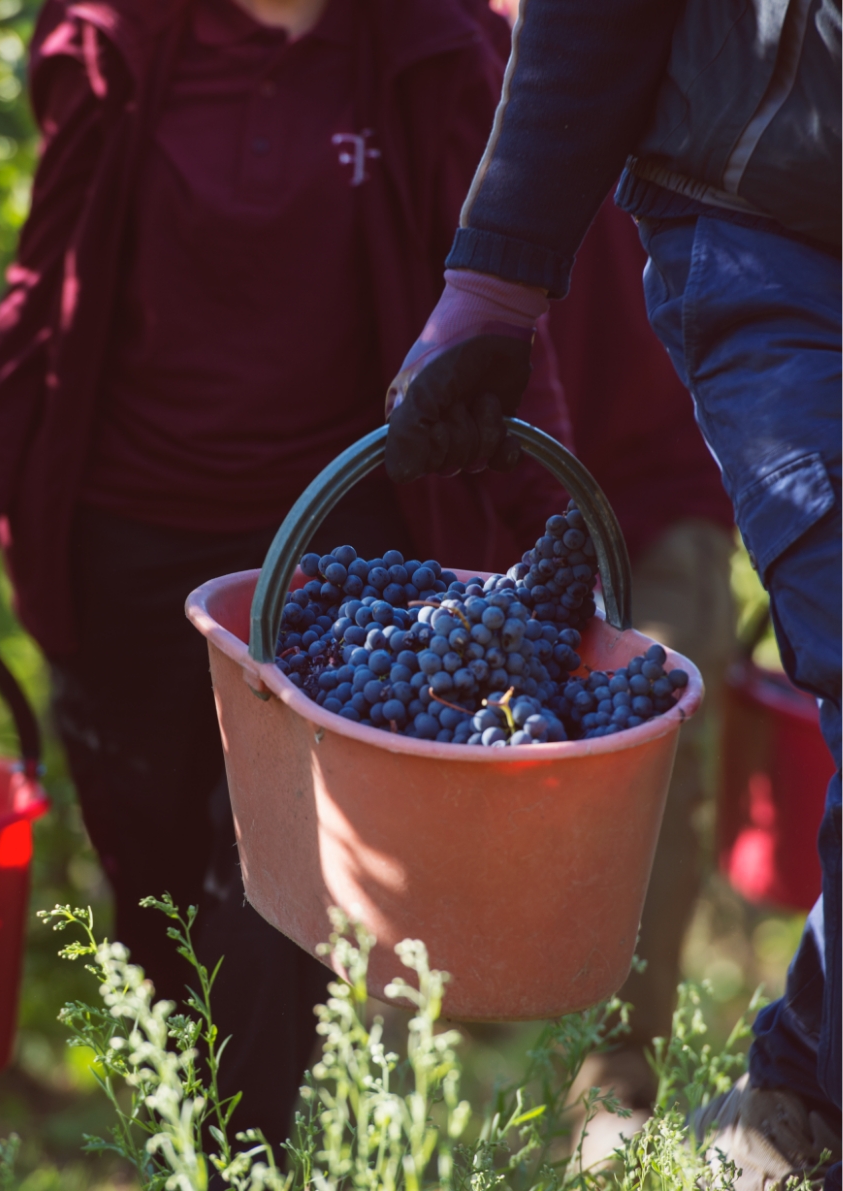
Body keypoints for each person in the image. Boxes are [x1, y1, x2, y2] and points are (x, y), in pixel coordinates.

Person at [0, 0, 572, 1154]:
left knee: (278, 920)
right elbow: (45, 306)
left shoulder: (432, 46)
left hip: (335, 585)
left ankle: (266, 1168)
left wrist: (551, 541)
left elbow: (495, 317)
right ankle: (206, 1160)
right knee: (164, 928)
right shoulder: (121, 41)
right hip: (125, 567)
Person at [383, 1, 840, 1186]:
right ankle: (769, 1103)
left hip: (644, 471)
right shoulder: (429, 48)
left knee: (653, 769)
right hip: (764, 232)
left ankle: (790, 1094)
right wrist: (490, 291)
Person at [550, 197, 737, 1157]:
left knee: (650, 751)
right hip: (491, 483)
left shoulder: (705, 49)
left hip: (663, 486)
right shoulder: (451, 58)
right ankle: (400, 1041)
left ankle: (614, 1085)